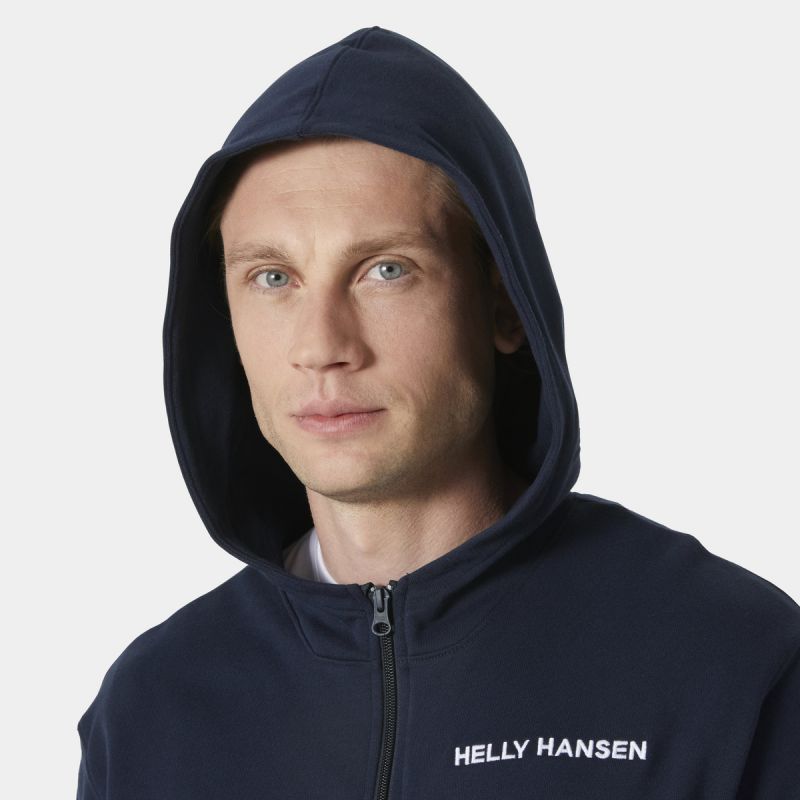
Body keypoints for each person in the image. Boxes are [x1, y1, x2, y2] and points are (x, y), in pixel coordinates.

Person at [75, 26, 800, 799]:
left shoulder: (727, 662)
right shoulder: (152, 710)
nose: (322, 347)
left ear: (503, 303)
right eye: (273, 278)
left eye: (386, 269)